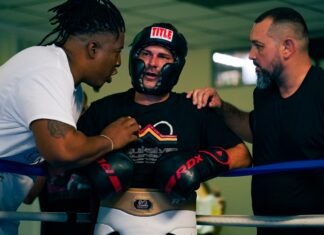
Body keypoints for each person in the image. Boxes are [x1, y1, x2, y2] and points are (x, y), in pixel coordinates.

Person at [77, 22, 252, 235]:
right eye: (146, 54)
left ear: (176, 64)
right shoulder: (104, 109)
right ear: (135, 58)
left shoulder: (194, 110)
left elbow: (242, 155)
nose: (152, 63)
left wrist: (199, 166)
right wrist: (95, 169)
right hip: (111, 219)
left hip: (176, 221)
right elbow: (65, 156)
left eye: (163, 56)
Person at [0, 0, 140, 234]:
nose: (118, 63)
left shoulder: (74, 93)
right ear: (93, 48)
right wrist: (109, 139)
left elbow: (34, 189)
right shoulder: (47, 70)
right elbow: (63, 151)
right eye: (116, 52)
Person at [187, 7, 324, 235]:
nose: (251, 54)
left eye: (259, 46)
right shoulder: (264, 93)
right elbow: (256, 129)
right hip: (267, 225)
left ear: (287, 47)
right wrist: (221, 108)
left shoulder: (320, 91)